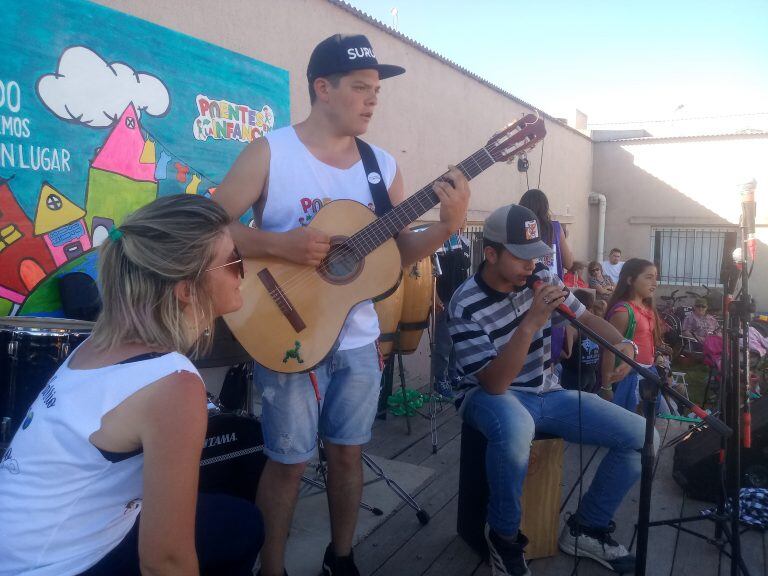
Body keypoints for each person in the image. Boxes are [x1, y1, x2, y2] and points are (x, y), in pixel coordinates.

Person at [213, 33, 470, 576]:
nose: (373, 99)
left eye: (376, 89)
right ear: (322, 88)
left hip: (355, 339)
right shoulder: (269, 152)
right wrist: (279, 244)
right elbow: (205, 226)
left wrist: (445, 227)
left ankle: (342, 556)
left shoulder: (381, 168)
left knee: (349, 453)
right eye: (361, 87)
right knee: (287, 463)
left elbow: (397, 255)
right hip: (285, 332)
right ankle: (274, 568)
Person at [0, 195, 264, 576]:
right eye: (234, 259)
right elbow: (164, 563)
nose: (244, 269)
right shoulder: (173, 384)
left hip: (18, 543)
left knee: (235, 521)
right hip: (51, 565)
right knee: (243, 527)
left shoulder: (100, 341)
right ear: (187, 289)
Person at [448, 204, 651, 576]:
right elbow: (494, 382)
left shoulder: (539, 274)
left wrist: (624, 346)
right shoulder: (464, 303)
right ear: (490, 254)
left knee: (640, 435)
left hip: (546, 390)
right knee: (515, 429)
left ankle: (587, 528)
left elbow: (585, 318)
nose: (532, 265)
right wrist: (532, 322)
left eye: (535, 256)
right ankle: (505, 538)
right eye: (521, 257)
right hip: (490, 396)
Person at [519, 188, 573, 366]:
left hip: (527, 291)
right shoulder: (555, 228)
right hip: (554, 292)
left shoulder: (522, 227)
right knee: (551, 347)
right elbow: (569, 262)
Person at [602, 258, 664, 413]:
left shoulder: (648, 309)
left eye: (655, 278)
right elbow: (609, 349)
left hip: (649, 373)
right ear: (630, 279)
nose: (655, 283)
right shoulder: (623, 312)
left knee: (655, 419)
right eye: (649, 277)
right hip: (629, 378)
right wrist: (606, 387)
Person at [432, 225, 472, 397]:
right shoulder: (439, 241)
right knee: (444, 342)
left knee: (456, 341)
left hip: (459, 298)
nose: (460, 223)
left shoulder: (465, 242)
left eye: (463, 219)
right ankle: (439, 378)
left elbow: (465, 267)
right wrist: (436, 298)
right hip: (445, 297)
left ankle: (453, 373)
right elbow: (434, 271)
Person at [561, 289, 601, 392]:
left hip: (574, 375)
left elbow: (566, 353)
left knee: (572, 406)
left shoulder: (572, 327)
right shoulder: (594, 326)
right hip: (591, 374)